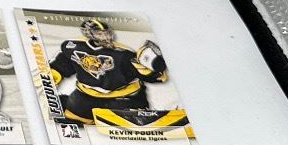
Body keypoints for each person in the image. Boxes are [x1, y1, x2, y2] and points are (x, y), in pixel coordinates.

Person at [43, 17, 184, 133]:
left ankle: (136, 116)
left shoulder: (124, 54)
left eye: (107, 33)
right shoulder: (73, 46)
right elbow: (63, 64)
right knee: (72, 114)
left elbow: (147, 75)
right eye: (100, 34)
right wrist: (51, 76)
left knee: (126, 114)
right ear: (89, 34)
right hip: (86, 96)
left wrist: (152, 70)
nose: (106, 36)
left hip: (124, 97)